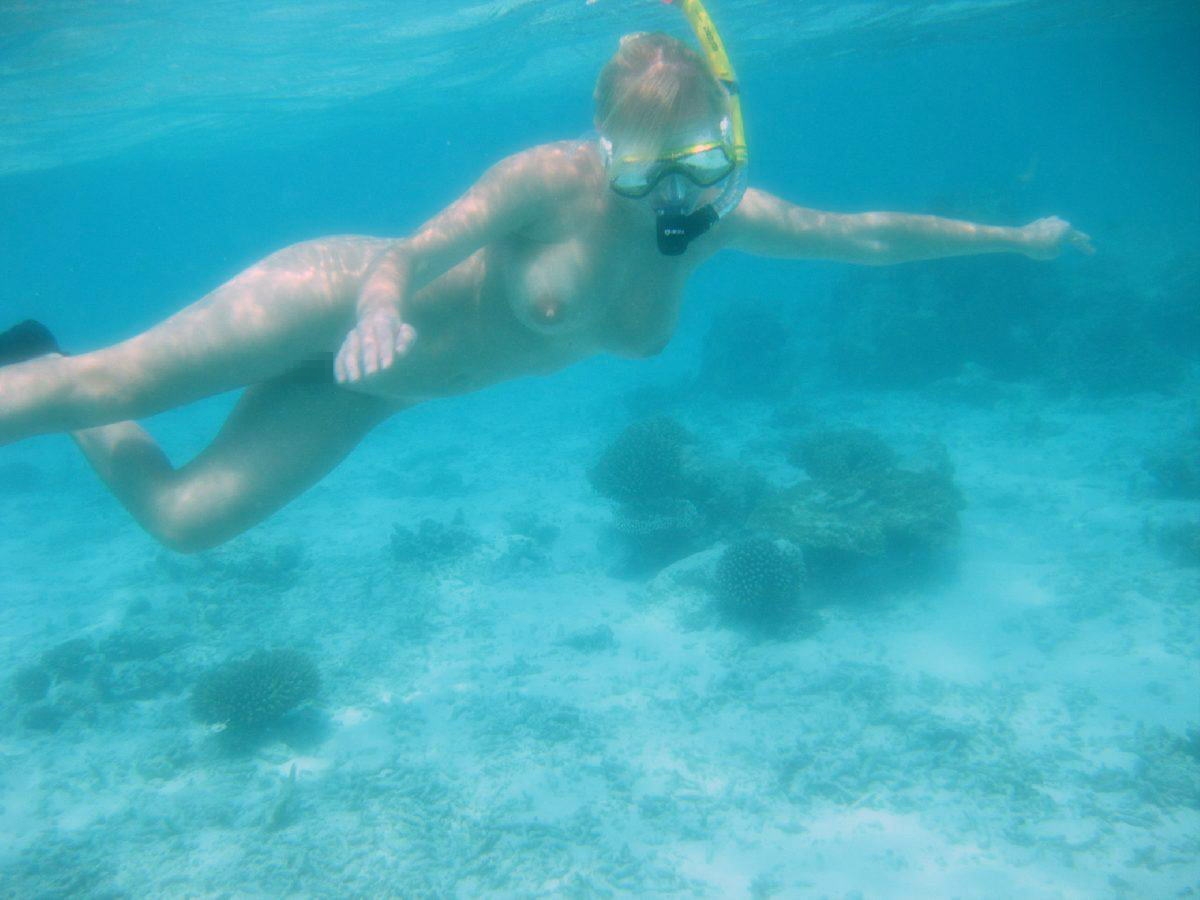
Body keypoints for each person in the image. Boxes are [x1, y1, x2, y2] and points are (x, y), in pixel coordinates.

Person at [0, 26, 1091, 553]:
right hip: (330, 302)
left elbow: (867, 239)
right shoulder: (545, 180)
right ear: (601, 140)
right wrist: (375, 308)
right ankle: (51, 376)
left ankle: (38, 354)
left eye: (695, 163)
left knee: (185, 523)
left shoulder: (719, 220)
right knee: (96, 389)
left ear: (721, 145)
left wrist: (1014, 239)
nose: (670, 192)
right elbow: (408, 254)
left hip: (378, 391)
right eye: (641, 166)